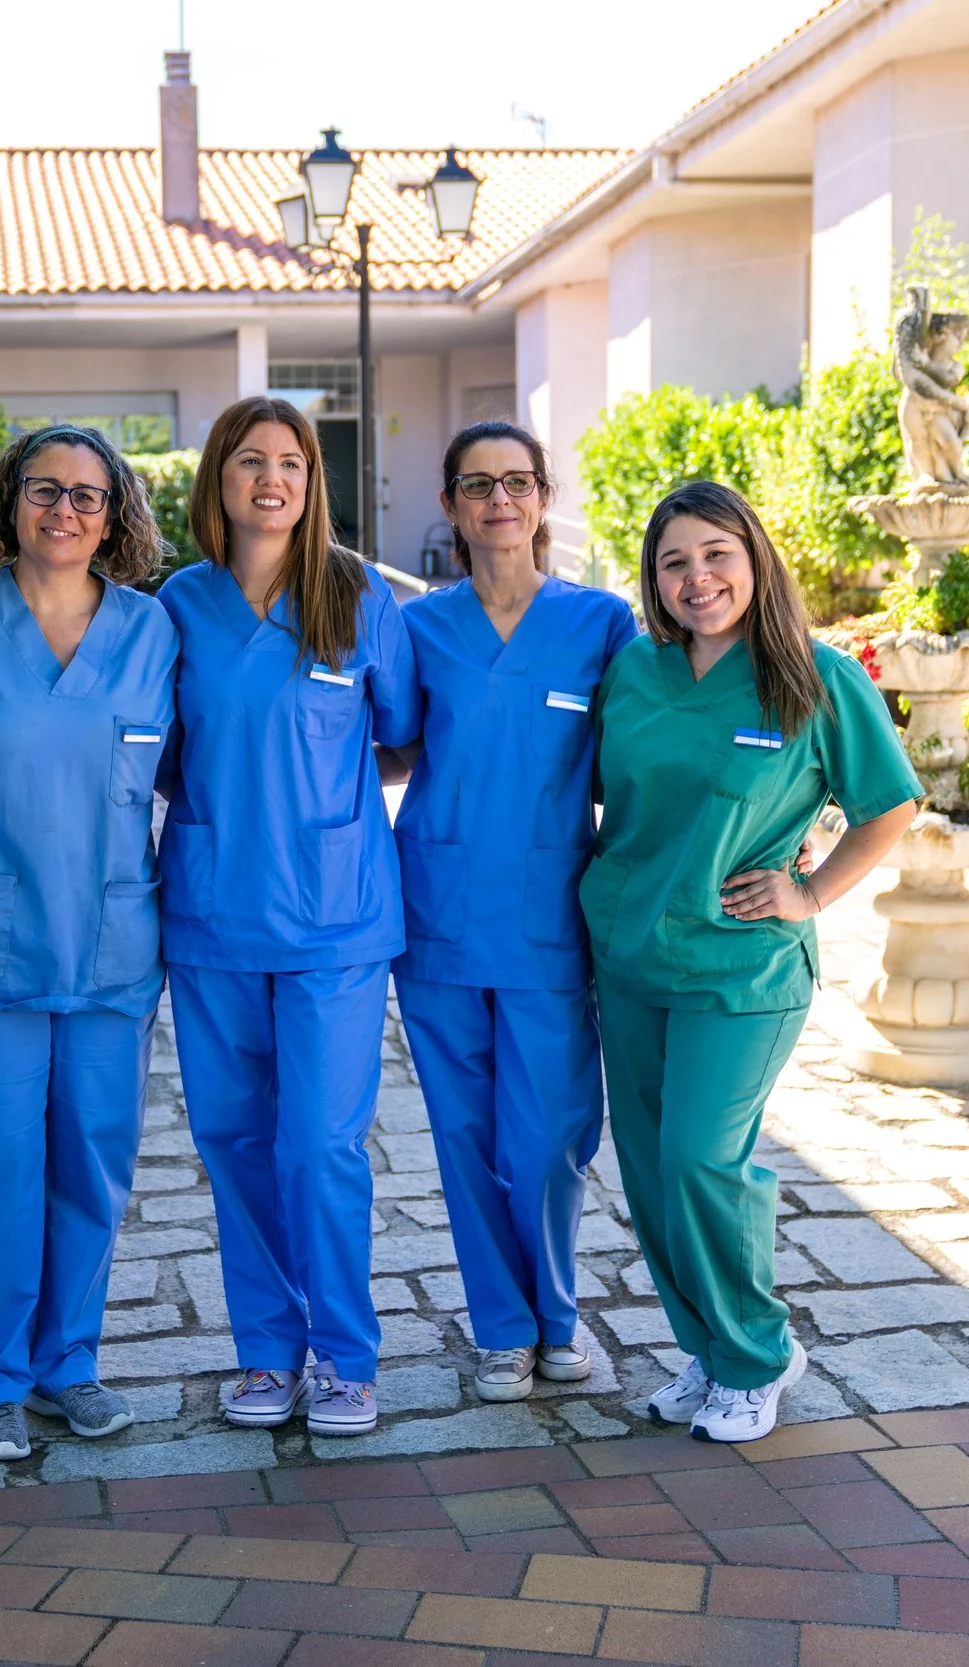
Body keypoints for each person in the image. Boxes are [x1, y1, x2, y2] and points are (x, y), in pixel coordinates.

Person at [584, 479, 921, 1444]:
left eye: (716, 554)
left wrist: (810, 892)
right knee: (649, 1171)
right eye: (674, 562)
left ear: (755, 559)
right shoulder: (635, 676)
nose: (697, 578)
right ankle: (708, 1349)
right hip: (632, 955)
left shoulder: (813, 677)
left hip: (742, 971)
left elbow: (888, 806)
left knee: (700, 1157)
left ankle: (759, 1354)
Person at [0, 425, 178, 1464]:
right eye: (44, 491)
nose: (65, 511)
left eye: (88, 497)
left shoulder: (153, 631)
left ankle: (70, 1364)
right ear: (9, 501)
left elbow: (190, 775)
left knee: (92, 1164)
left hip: (109, 946)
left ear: (116, 515)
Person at [158, 396, 419, 1438]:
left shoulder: (356, 598)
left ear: (313, 485)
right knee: (233, 1139)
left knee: (319, 1142)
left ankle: (346, 1357)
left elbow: (396, 734)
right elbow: (160, 756)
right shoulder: (174, 606)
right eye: (251, 460)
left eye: (292, 463)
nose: (272, 479)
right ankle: (269, 1353)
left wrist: (324, 817)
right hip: (214, 915)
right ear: (217, 477)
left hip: (334, 922)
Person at [390, 422, 639, 1403]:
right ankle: (502, 1326)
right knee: (462, 1129)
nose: (501, 499)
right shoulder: (418, 629)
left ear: (542, 498)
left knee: (548, 1129)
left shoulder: (601, 623)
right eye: (478, 483)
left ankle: (556, 1313)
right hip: (439, 910)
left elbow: (648, 754)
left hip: (549, 914)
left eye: (519, 481)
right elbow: (386, 746)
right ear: (451, 504)